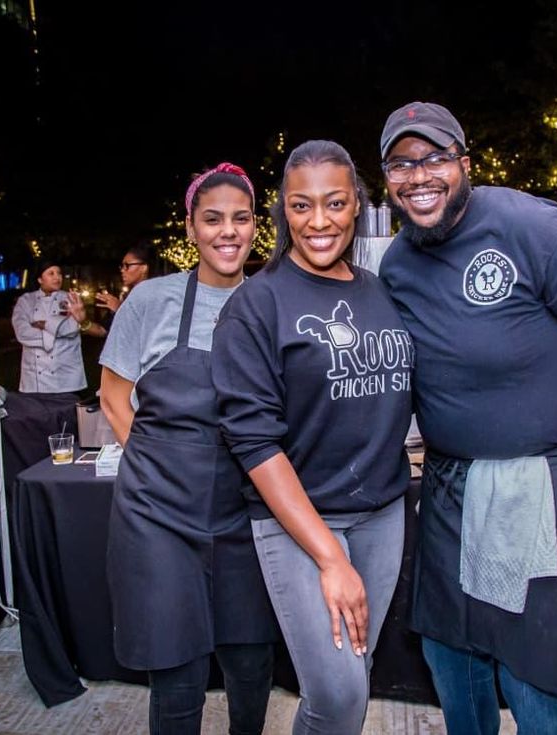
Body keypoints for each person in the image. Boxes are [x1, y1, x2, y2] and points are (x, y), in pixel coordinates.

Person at [376, 102, 557, 734]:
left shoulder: (531, 227)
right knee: (450, 650)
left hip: (547, 482)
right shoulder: (396, 264)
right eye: (401, 163)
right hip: (452, 482)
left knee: (534, 668)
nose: (419, 176)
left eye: (435, 158)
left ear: (465, 163)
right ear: (387, 179)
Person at [211, 140, 414, 735]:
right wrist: (330, 557)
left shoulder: (378, 292)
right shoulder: (258, 305)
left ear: (357, 206)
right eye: (301, 206)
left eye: (334, 203)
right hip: (300, 520)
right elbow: (254, 443)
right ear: (283, 211)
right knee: (337, 693)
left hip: (382, 514)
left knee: (355, 675)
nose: (319, 221)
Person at [98, 163, 279, 735]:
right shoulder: (151, 299)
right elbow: (112, 397)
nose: (228, 231)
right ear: (191, 227)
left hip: (246, 510)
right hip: (159, 514)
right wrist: (155, 466)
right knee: (178, 673)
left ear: (256, 227)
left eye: (241, 218)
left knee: (251, 663)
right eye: (212, 219)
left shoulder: (273, 303)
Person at [11, 257, 90, 393]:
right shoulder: (26, 301)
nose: (57, 277)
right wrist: (56, 330)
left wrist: (43, 324)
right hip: (35, 379)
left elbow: (72, 328)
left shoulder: (70, 298)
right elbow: (22, 332)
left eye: (59, 273)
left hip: (67, 376)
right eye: (51, 273)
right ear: (40, 279)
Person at [94, 243, 154, 334]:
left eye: (127, 266)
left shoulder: (155, 295)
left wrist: (120, 310)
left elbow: (149, 331)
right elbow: (103, 330)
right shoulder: (126, 296)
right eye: (122, 266)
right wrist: (82, 321)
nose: (122, 270)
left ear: (144, 268)